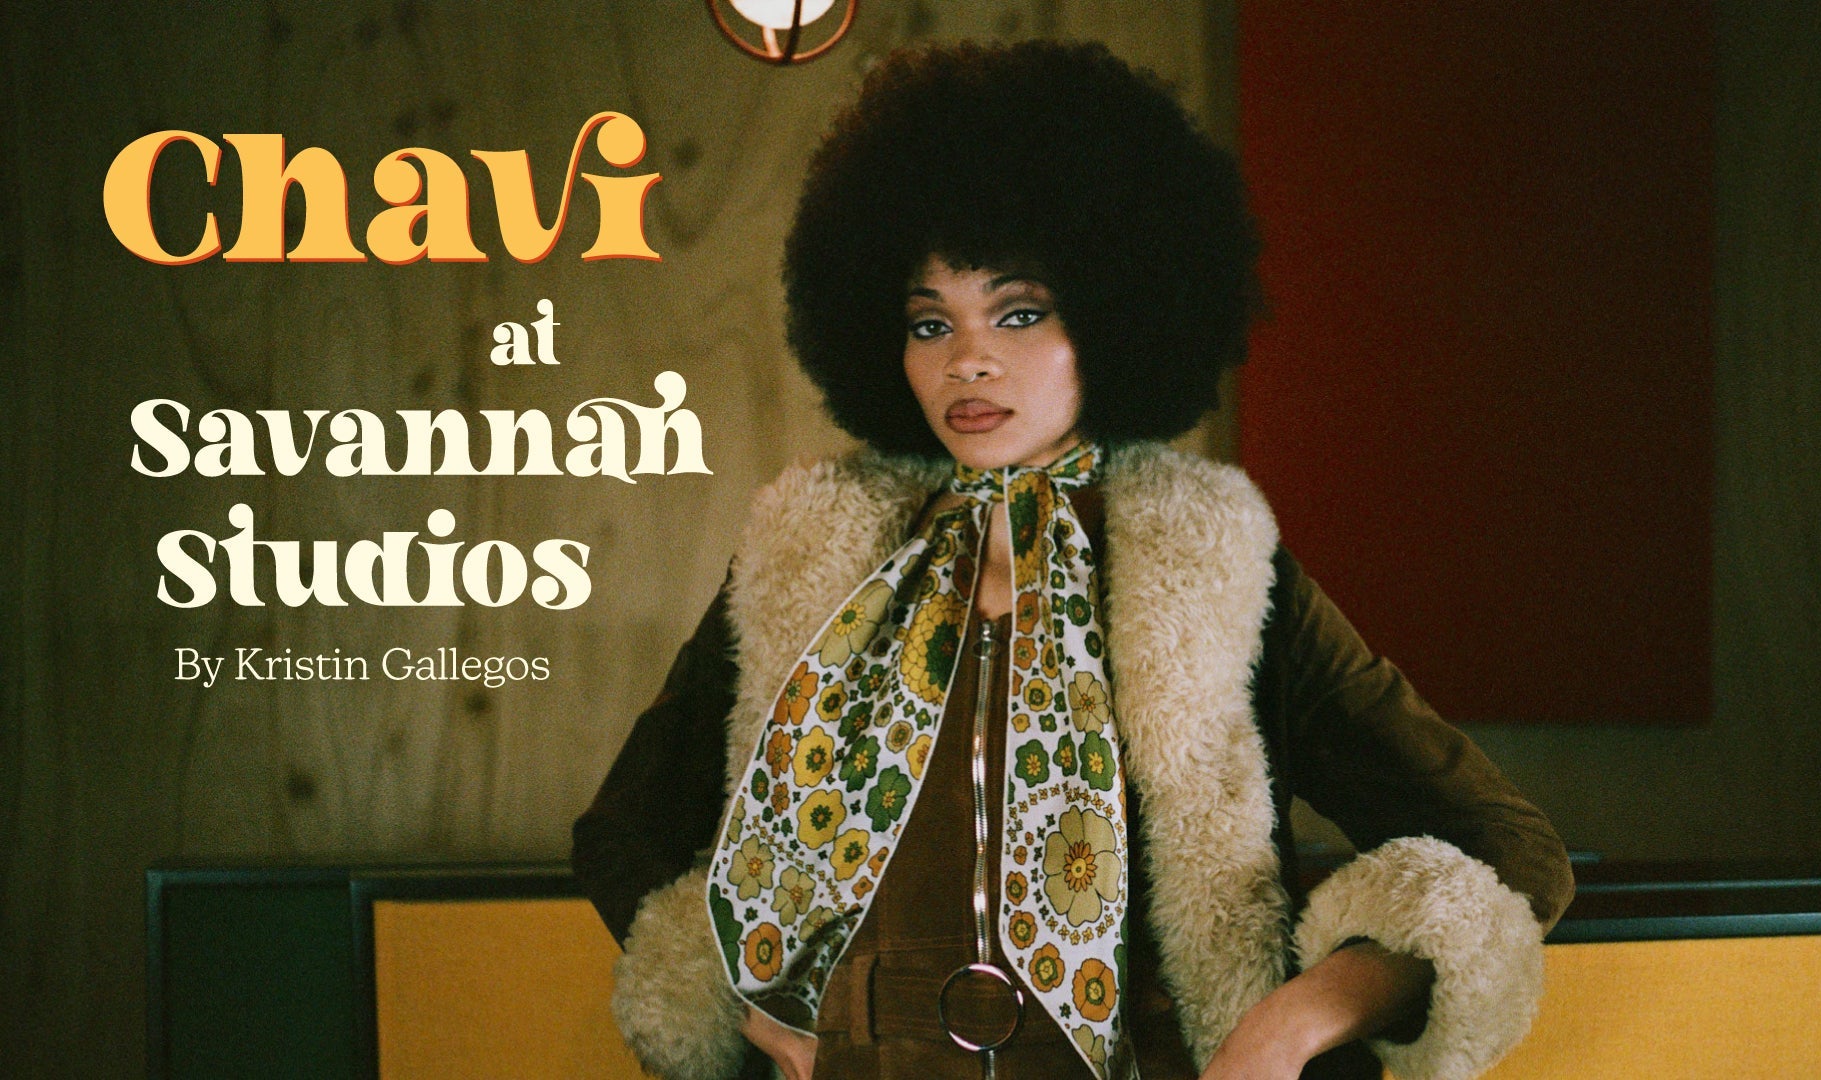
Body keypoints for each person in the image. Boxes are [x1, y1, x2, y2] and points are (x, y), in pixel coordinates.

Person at [572, 39, 1573, 1080]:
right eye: (929, 322)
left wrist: (1290, 1026)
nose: (968, 359)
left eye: (1019, 312)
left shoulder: (1212, 565)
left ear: (1114, 312)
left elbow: (1512, 855)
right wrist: (754, 1011)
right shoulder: (810, 554)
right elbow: (622, 833)